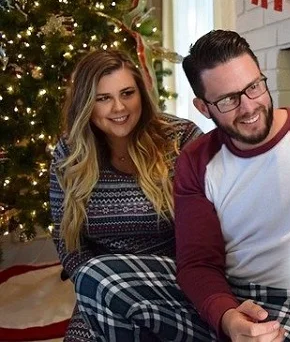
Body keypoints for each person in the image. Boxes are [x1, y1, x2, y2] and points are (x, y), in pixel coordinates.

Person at [70, 31, 290, 342]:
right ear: (203, 107)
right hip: (232, 294)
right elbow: (197, 262)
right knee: (97, 276)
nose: (248, 107)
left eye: (254, 87)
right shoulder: (196, 159)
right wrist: (227, 316)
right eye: (228, 99)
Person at [49, 50, 202, 342]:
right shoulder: (69, 152)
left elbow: (213, 223)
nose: (119, 107)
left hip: (176, 281)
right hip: (101, 285)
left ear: (141, 94)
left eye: (127, 93)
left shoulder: (181, 137)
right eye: (103, 98)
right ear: (86, 105)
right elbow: (64, 237)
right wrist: (93, 288)